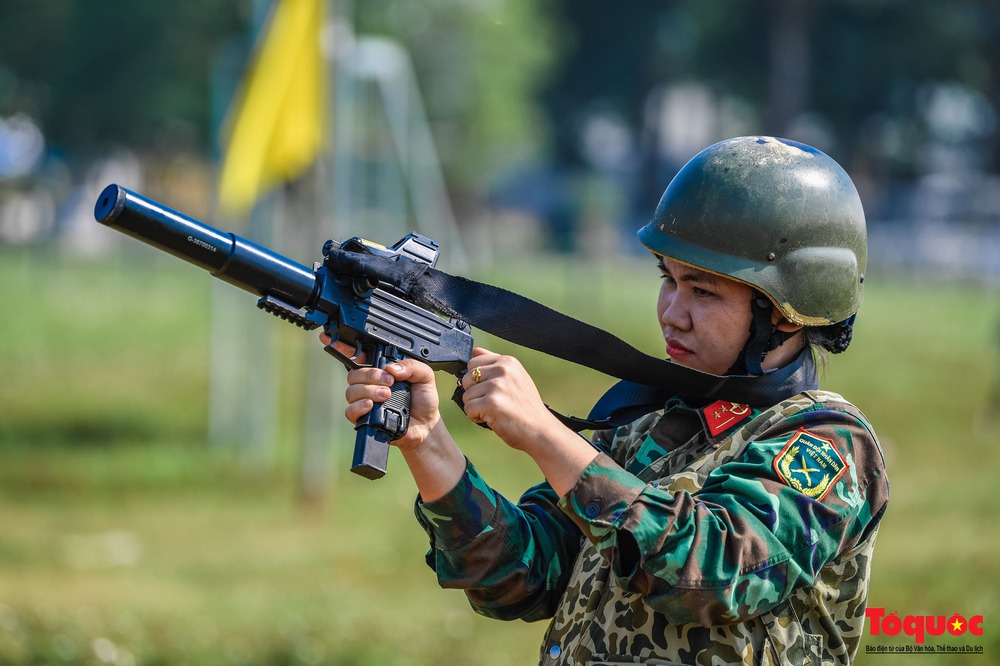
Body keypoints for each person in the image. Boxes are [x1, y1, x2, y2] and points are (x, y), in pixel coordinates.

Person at [325, 136, 889, 665]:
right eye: (668, 279)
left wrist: (546, 434)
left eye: (703, 291)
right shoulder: (648, 423)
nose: (672, 311)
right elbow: (520, 579)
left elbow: (711, 574)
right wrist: (429, 443)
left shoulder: (828, 444)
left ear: (786, 310)